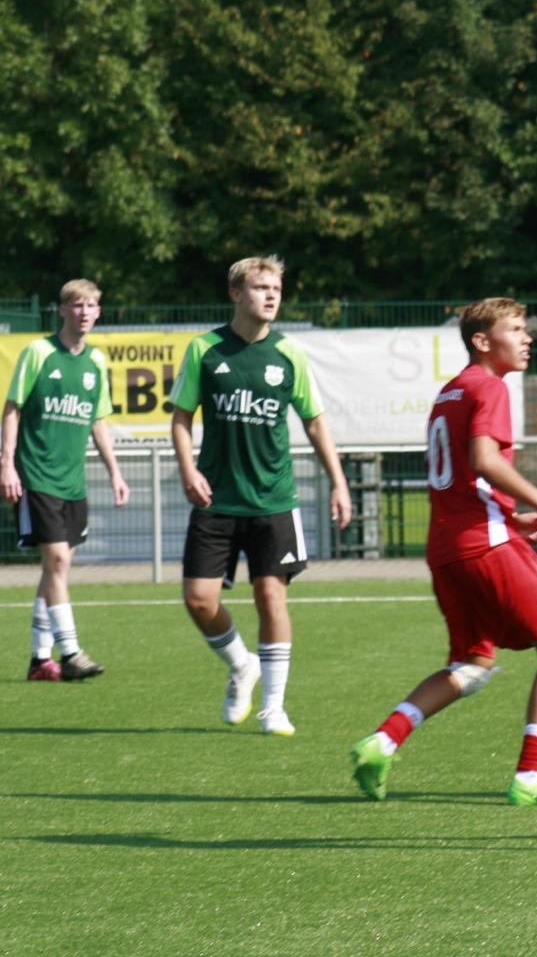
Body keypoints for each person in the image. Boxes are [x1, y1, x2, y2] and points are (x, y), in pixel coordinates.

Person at [351, 298, 537, 805]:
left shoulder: (451, 392)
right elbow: (483, 459)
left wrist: (512, 518)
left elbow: (459, 478)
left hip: (448, 548)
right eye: (516, 329)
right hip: (486, 545)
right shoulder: (490, 386)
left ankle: (384, 740)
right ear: (482, 341)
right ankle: (532, 776)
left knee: (474, 662)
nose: (527, 338)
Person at [171, 256, 352, 736]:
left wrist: (338, 481)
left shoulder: (289, 353)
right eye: (260, 287)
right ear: (236, 294)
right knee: (198, 600)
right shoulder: (205, 349)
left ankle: (274, 707)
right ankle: (241, 664)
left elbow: (315, 421)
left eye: (276, 288)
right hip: (216, 499)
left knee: (271, 596)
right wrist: (188, 469)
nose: (271, 295)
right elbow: (181, 416)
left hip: (274, 499)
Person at [2, 279, 130, 681]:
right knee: (57, 560)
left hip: (73, 482)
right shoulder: (39, 352)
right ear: (62, 310)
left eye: (91, 305)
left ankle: (40, 660)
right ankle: (71, 652)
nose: (84, 312)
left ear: (99, 312)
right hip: (37, 475)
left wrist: (115, 471)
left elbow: (98, 420)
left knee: (56, 567)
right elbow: (12, 408)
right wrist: (6, 464)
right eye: (77, 305)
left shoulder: (96, 362)